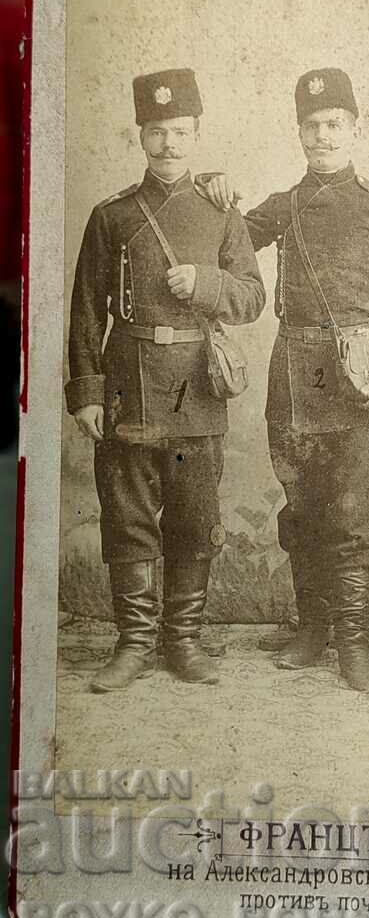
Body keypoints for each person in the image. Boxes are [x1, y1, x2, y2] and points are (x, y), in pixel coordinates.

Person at [200, 68, 369, 692]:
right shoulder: (285, 207)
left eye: (334, 125)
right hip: (293, 377)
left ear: (354, 128)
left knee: (353, 514)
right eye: (312, 126)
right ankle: (313, 628)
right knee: (302, 508)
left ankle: (353, 641)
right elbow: (224, 241)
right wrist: (205, 186)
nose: (323, 136)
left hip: (355, 380)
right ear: (298, 133)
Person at [65, 68, 265, 692]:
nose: (170, 145)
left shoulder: (222, 213)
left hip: (195, 390)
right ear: (141, 135)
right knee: (126, 514)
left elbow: (254, 298)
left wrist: (207, 285)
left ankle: (182, 641)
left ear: (197, 133)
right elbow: (84, 309)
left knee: (192, 514)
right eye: (158, 132)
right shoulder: (113, 215)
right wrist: (88, 392)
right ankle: (133, 644)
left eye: (181, 132)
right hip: (128, 382)